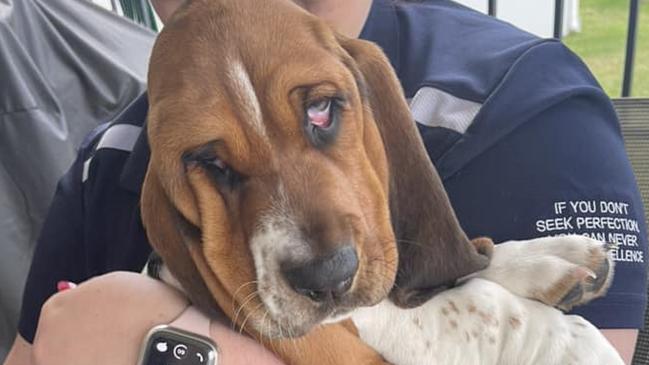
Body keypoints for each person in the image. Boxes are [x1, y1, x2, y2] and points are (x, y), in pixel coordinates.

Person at [4, 0, 647, 364]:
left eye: (320, 112)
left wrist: (163, 344)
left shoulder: (527, 105)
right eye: (217, 166)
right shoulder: (110, 161)